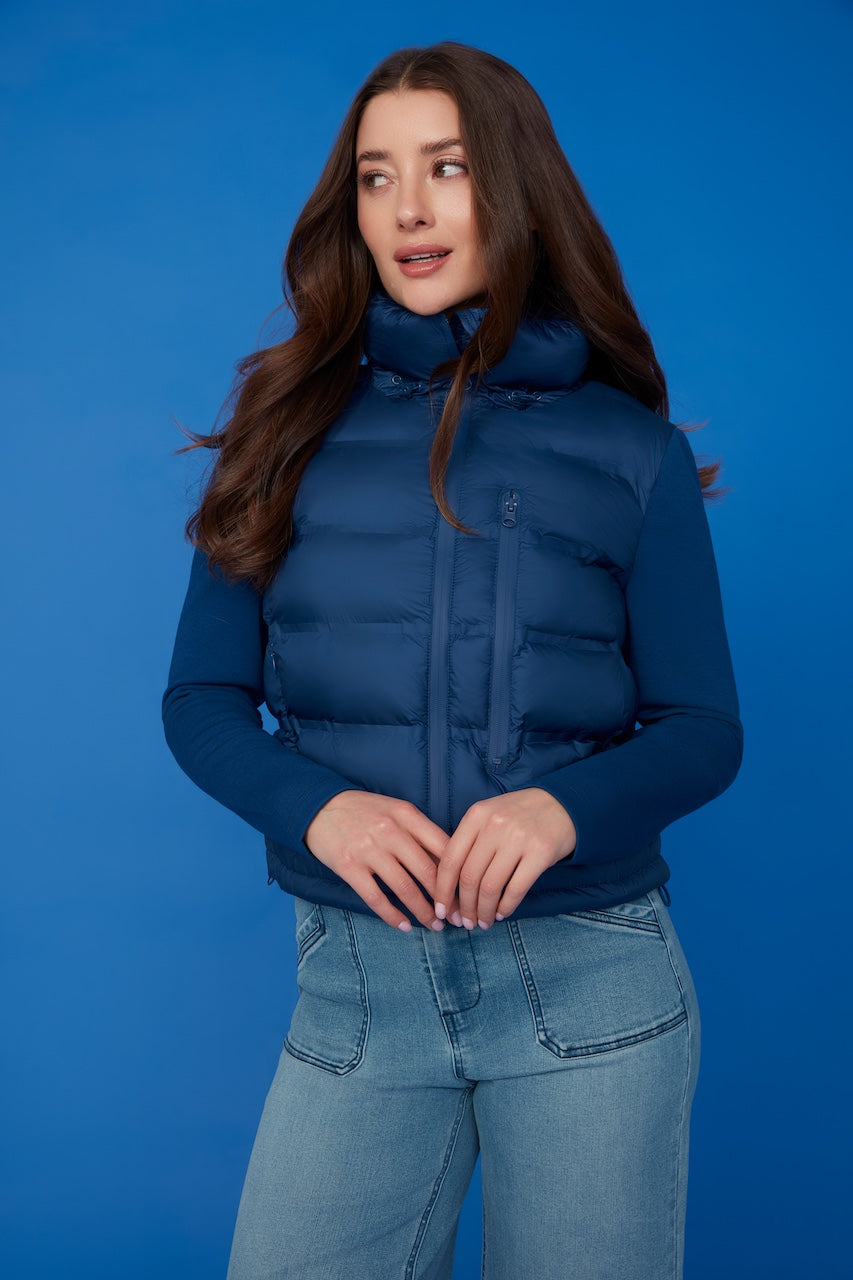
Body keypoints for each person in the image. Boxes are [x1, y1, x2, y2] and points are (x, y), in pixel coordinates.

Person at [162, 40, 742, 1280]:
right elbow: (201, 698)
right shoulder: (280, 429)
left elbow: (702, 727)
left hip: (588, 982)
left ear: (515, 189)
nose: (407, 209)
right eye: (376, 176)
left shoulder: (628, 450)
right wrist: (318, 808)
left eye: (448, 167)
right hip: (358, 990)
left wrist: (558, 809)